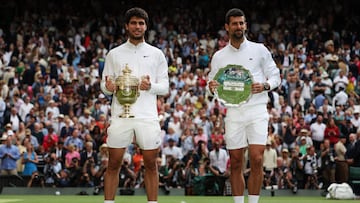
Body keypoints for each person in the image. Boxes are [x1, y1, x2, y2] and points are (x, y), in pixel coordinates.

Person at [207, 8, 280, 203]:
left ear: (245, 25)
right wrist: (211, 86)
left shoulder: (259, 49)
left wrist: (265, 85)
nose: (239, 27)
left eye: (242, 23)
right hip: (234, 113)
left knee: (256, 159)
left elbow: (276, 76)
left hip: (257, 110)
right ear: (227, 27)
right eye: (235, 23)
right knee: (237, 161)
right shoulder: (219, 56)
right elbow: (211, 85)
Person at [100, 7, 169, 203]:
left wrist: (151, 86)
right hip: (121, 114)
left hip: (147, 116)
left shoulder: (157, 54)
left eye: (141, 23)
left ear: (146, 27)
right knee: (113, 163)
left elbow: (165, 87)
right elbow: (104, 85)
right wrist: (108, 87)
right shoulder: (114, 54)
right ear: (126, 26)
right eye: (133, 23)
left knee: (151, 164)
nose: (137, 27)